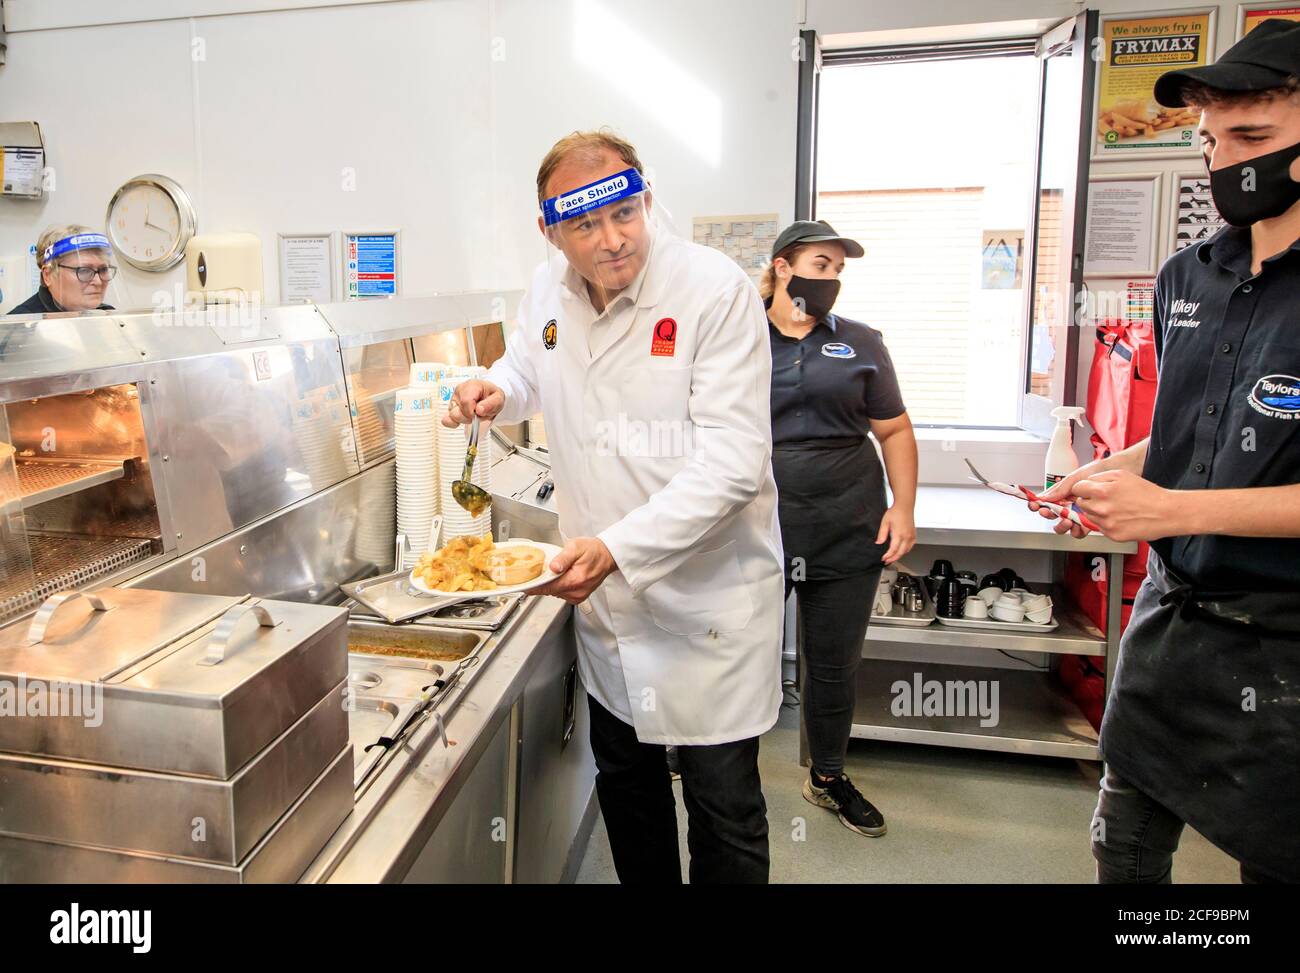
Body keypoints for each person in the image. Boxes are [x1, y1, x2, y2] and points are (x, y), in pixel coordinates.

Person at [443, 130, 784, 884]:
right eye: (585, 226)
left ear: (645, 196)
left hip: (708, 609)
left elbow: (733, 463)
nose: (612, 240)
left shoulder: (712, 290)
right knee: (628, 792)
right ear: (551, 230)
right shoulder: (546, 290)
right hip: (609, 614)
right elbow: (529, 366)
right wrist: (496, 389)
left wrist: (618, 548)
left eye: (624, 213)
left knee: (723, 808)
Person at [1031, 19, 1300, 884]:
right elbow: (1188, 427)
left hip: (1280, 641)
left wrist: (1174, 510)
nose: (1225, 162)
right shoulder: (1188, 276)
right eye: (1212, 140)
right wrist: (1106, 471)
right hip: (1170, 620)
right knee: (1127, 841)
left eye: (1253, 138)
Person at [763, 220, 917, 837]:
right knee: (736, 654)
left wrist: (902, 507)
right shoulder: (734, 338)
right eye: (820, 266)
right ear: (783, 267)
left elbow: (895, 431)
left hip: (847, 524)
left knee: (833, 665)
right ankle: (714, 759)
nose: (831, 280)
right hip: (756, 531)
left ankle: (827, 776)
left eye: (837, 271)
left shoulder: (861, 342)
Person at [8, 225, 117, 314]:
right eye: (84, 271)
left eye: (103, 270)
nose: (98, 282)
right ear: (48, 275)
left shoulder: (107, 316)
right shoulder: (18, 328)